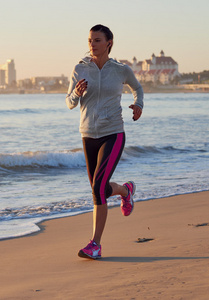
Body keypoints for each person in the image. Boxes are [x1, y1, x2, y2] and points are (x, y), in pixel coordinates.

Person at [65, 24, 144, 259]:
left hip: (113, 133)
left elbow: (137, 88)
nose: (92, 44)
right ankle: (125, 190)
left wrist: (138, 105)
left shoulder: (120, 69)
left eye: (97, 40)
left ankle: (95, 245)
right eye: (90, 40)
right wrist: (77, 94)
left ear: (109, 43)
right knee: (97, 188)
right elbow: (69, 102)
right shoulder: (80, 68)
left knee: (98, 187)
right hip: (88, 134)